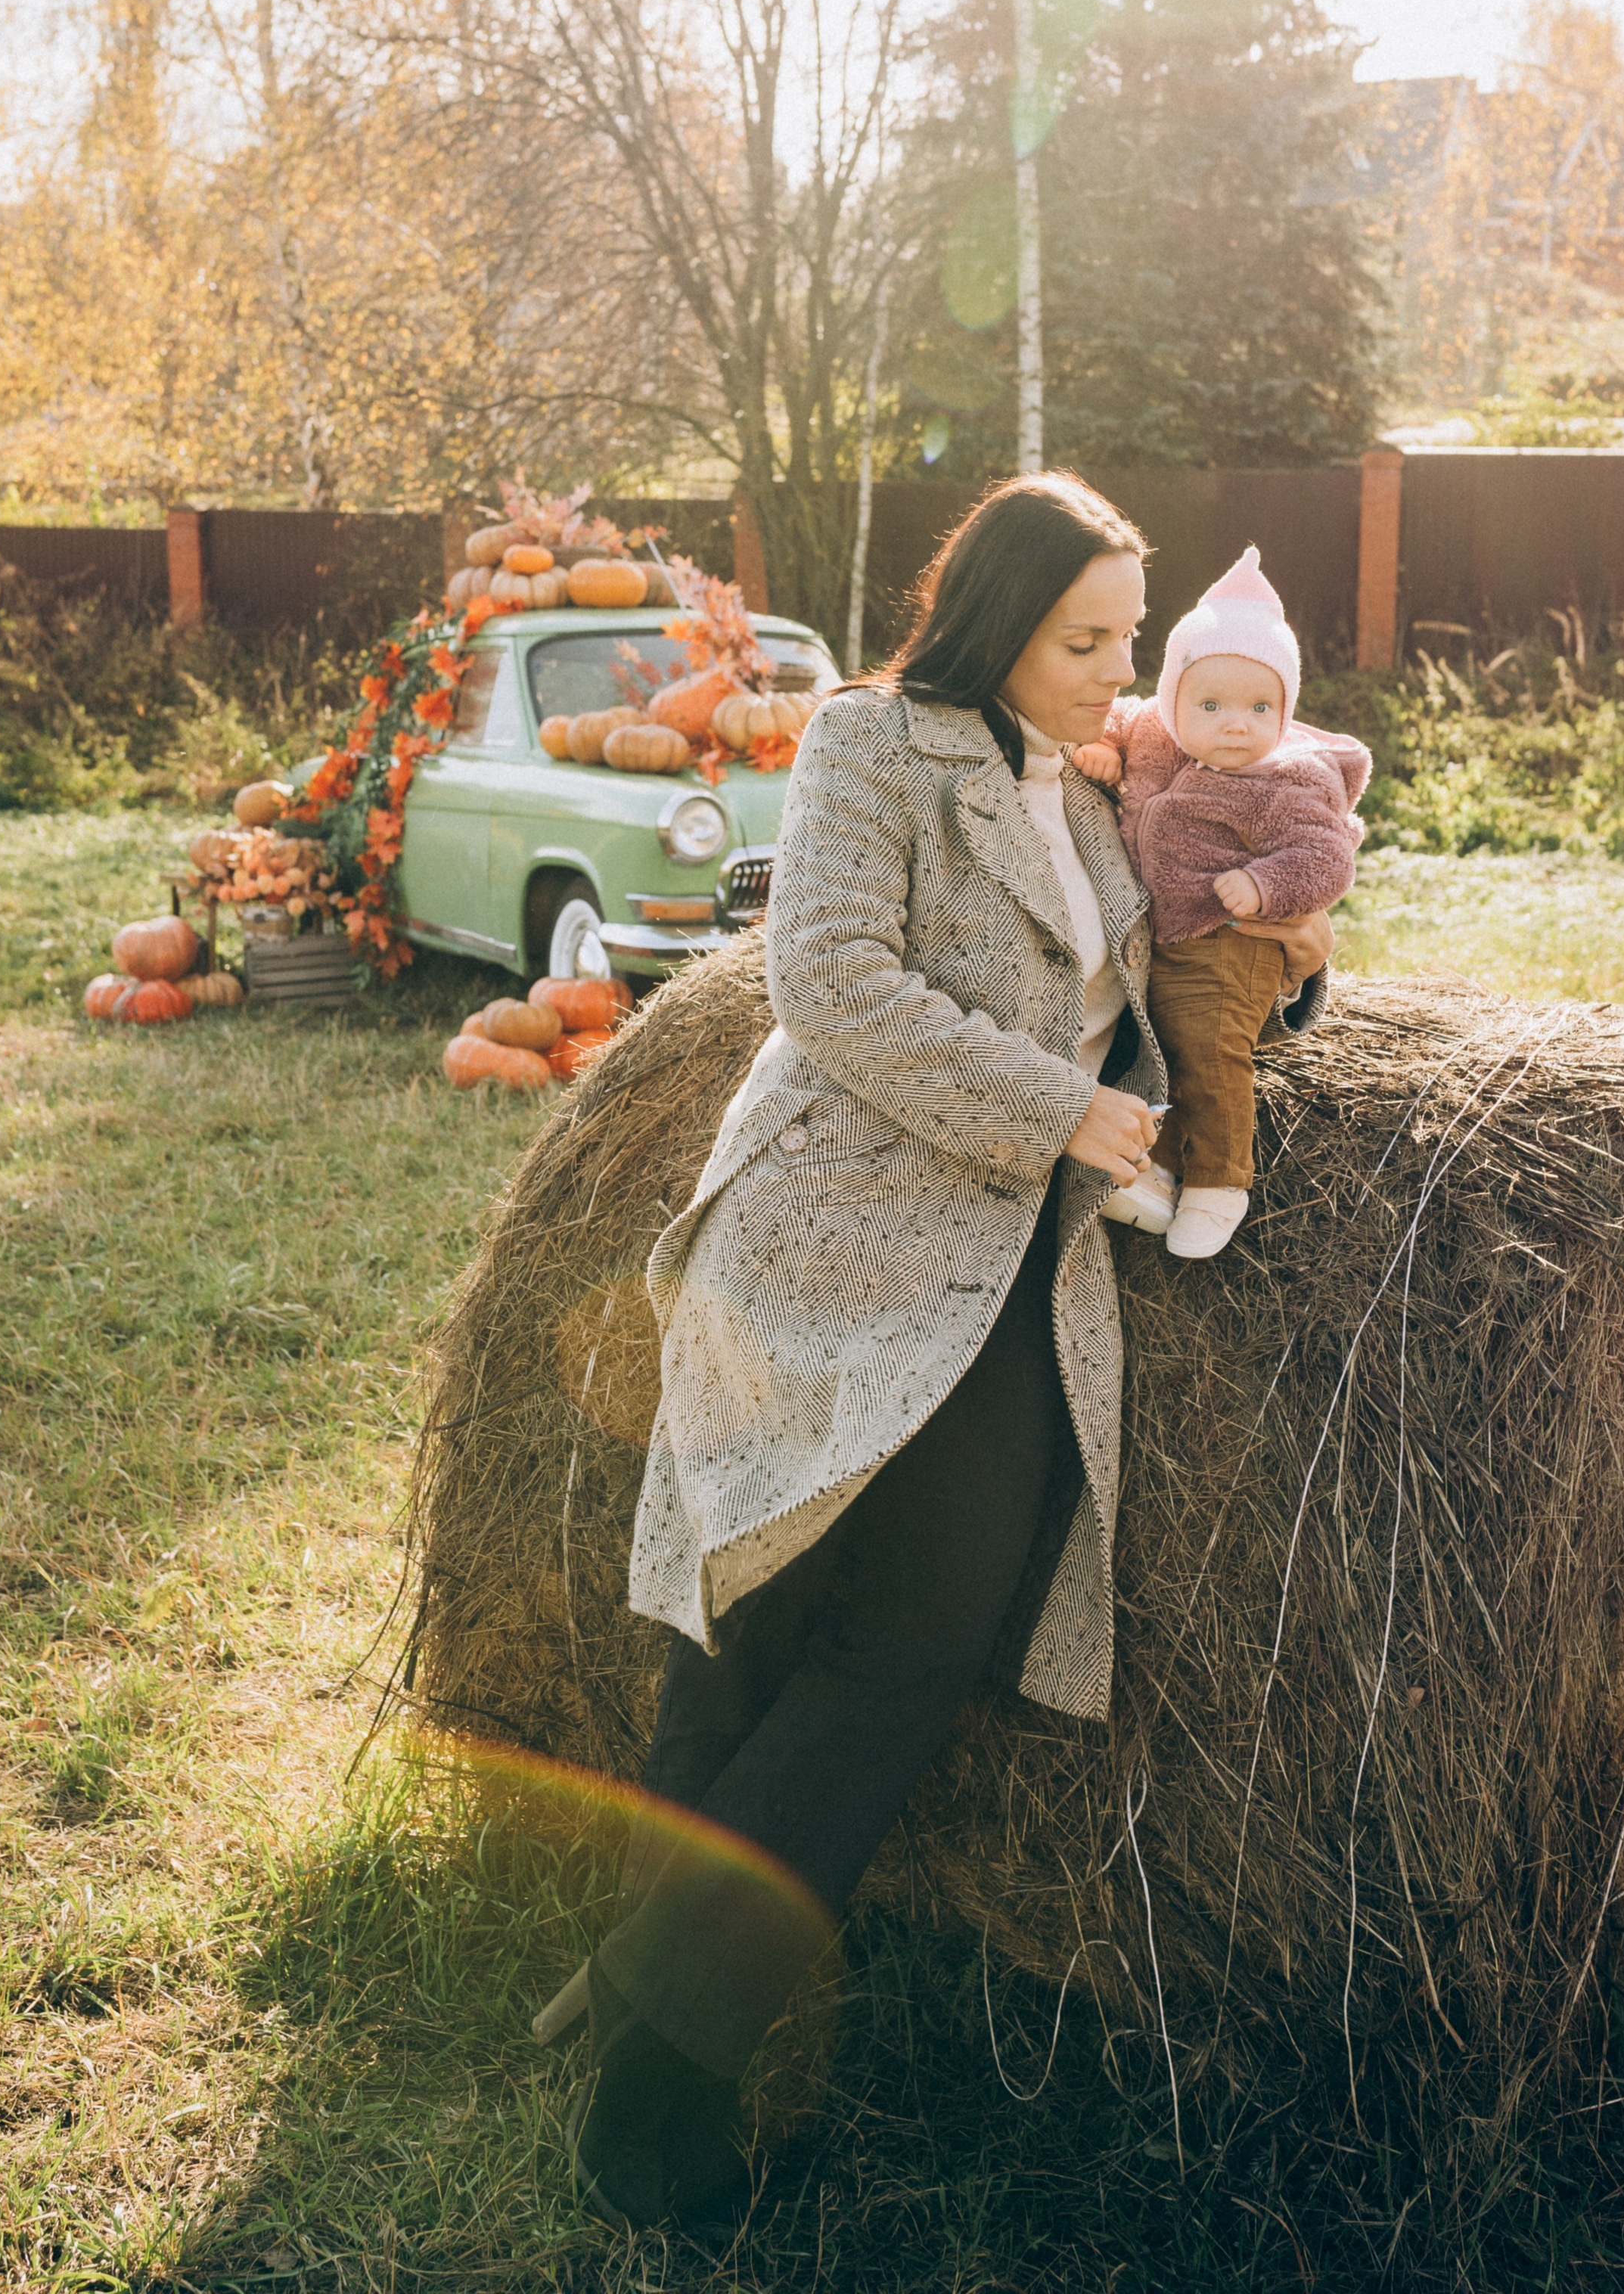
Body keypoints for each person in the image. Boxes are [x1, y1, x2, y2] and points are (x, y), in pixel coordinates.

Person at [557, 474, 1334, 2230]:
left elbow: (1184, 944)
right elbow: (829, 981)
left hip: (1009, 1271)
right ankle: (656, 2119)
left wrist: (1277, 965)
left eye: (1128, 637)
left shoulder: (1112, 774)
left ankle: (642, 2021)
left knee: (910, 1651)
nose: (1118, 672)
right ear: (991, 625)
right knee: (739, 1637)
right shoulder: (870, 744)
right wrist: (1056, 1105)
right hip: (822, 1239)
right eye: (1083, 641)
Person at [1072, 546, 1371, 1259]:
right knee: (1165, 1047)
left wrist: (1266, 883)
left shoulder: (1288, 778)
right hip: (1168, 939)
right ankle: (1157, 1168)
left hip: (1229, 936)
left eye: (1260, 708)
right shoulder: (1152, 731)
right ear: (1175, 697)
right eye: (1211, 706)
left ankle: (1220, 1182)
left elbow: (1327, 858)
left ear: (1285, 710)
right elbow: (1118, 716)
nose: (1237, 725)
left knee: (1209, 1051)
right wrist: (1105, 745)